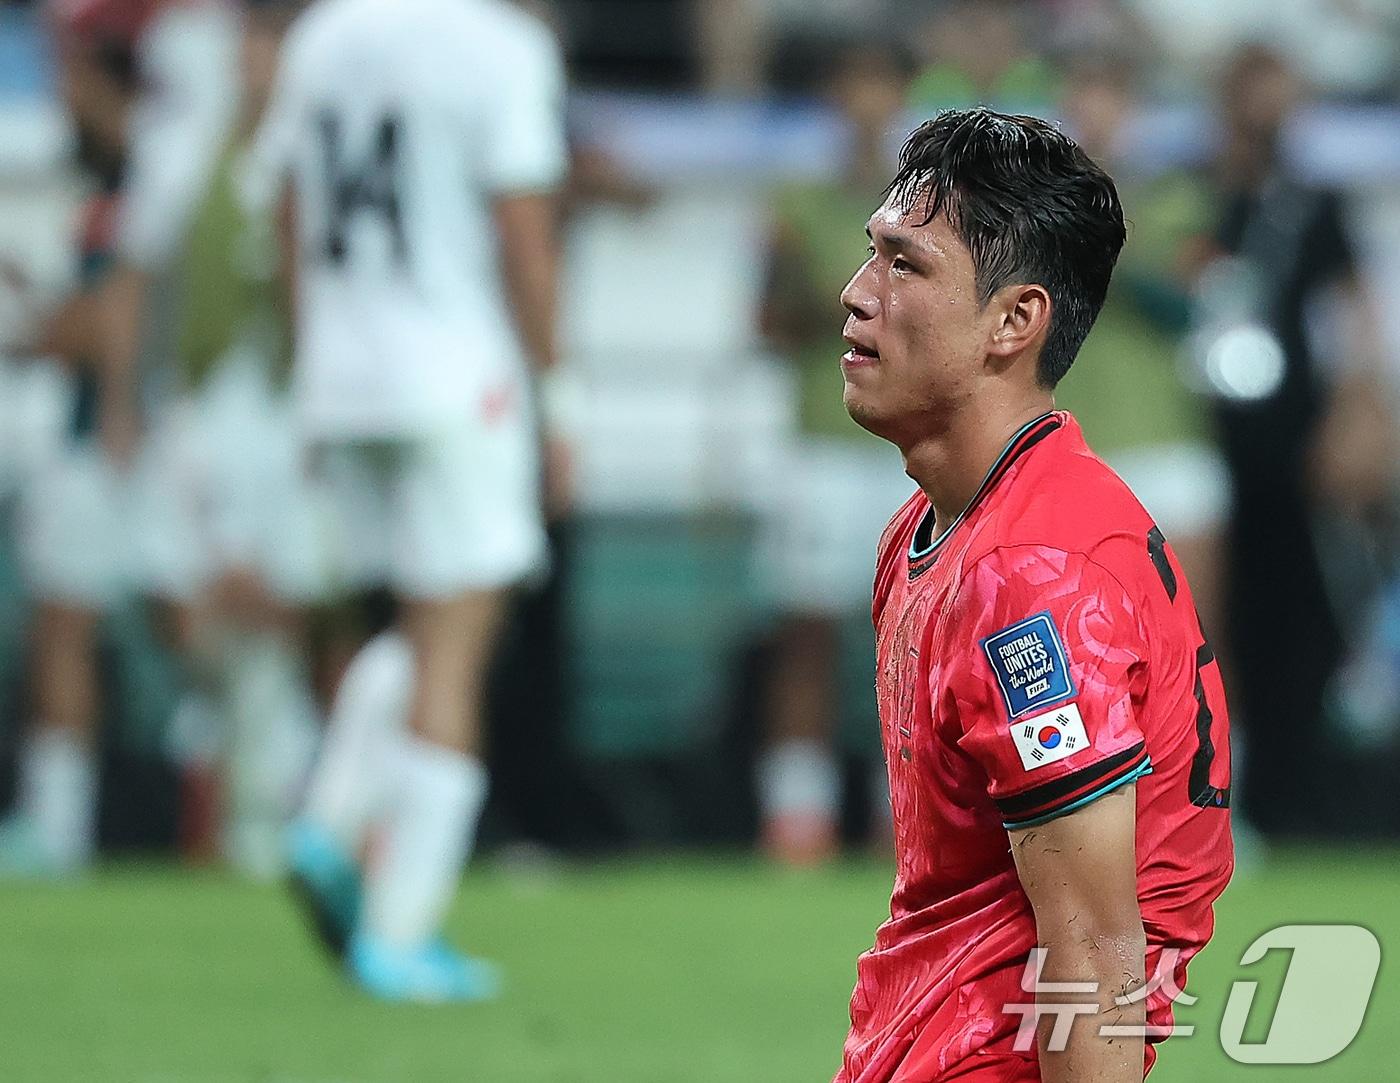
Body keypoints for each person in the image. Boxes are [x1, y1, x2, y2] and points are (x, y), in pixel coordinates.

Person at [832, 110, 1232, 1082]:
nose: (855, 295)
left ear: (1014, 321)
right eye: (870, 255)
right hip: (921, 1031)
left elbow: (1095, 945)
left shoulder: (1034, 577)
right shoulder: (939, 526)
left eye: (904, 266)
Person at [243, 0, 567, 1001]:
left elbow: (286, 205)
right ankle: (396, 925)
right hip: (450, 370)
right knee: (459, 634)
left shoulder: (324, 36)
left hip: (343, 373)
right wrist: (562, 397)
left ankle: (327, 823)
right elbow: (521, 231)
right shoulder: (498, 46)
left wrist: (307, 370)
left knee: (418, 622)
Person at [0, 0, 239, 876]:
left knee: (192, 625)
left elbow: (109, 329)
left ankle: (234, 805)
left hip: (141, 433)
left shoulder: (166, 174)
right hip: (116, 434)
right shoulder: (126, 186)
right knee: (75, 618)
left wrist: (37, 332)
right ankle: (60, 827)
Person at [756, 41, 915, 865]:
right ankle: (797, 814)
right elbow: (766, 321)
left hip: (907, 449)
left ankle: (912, 818)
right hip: (822, 437)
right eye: (852, 80)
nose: (865, 98)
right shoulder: (801, 204)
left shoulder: (936, 210)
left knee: (918, 640)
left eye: (878, 80)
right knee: (808, 629)